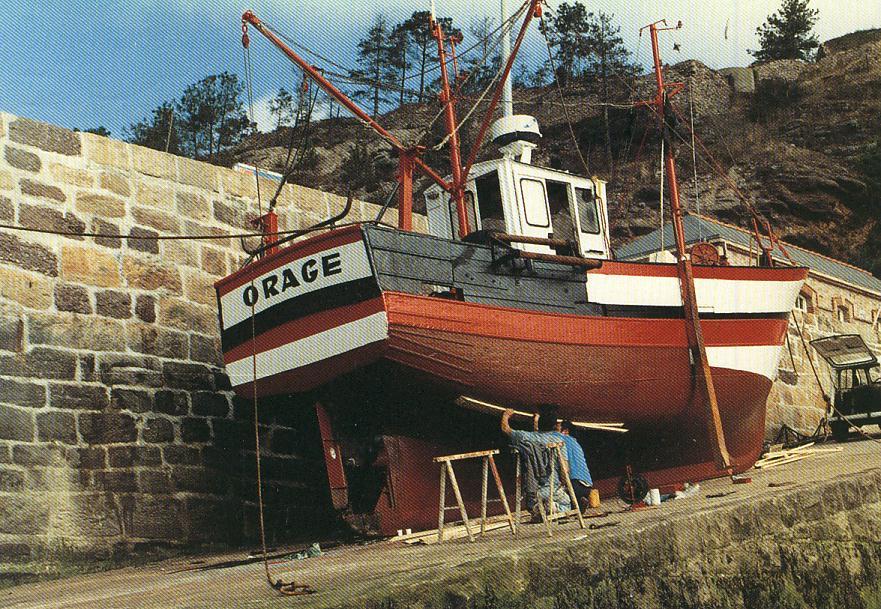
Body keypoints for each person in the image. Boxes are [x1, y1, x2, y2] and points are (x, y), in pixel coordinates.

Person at [500, 405, 571, 519]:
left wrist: (506, 415)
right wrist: (563, 484)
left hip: (532, 491)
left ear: (540, 424)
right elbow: (565, 469)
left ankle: (538, 508)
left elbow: (505, 429)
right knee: (567, 504)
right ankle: (552, 507)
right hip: (552, 489)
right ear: (553, 426)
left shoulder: (526, 437)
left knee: (538, 502)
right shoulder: (558, 441)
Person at [553, 420, 593, 511]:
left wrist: (536, 421)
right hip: (587, 487)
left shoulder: (560, 438)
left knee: (558, 499)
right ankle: (579, 501)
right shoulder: (576, 443)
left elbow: (544, 434)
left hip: (575, 485)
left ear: (566, 431)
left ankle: (576, 502)